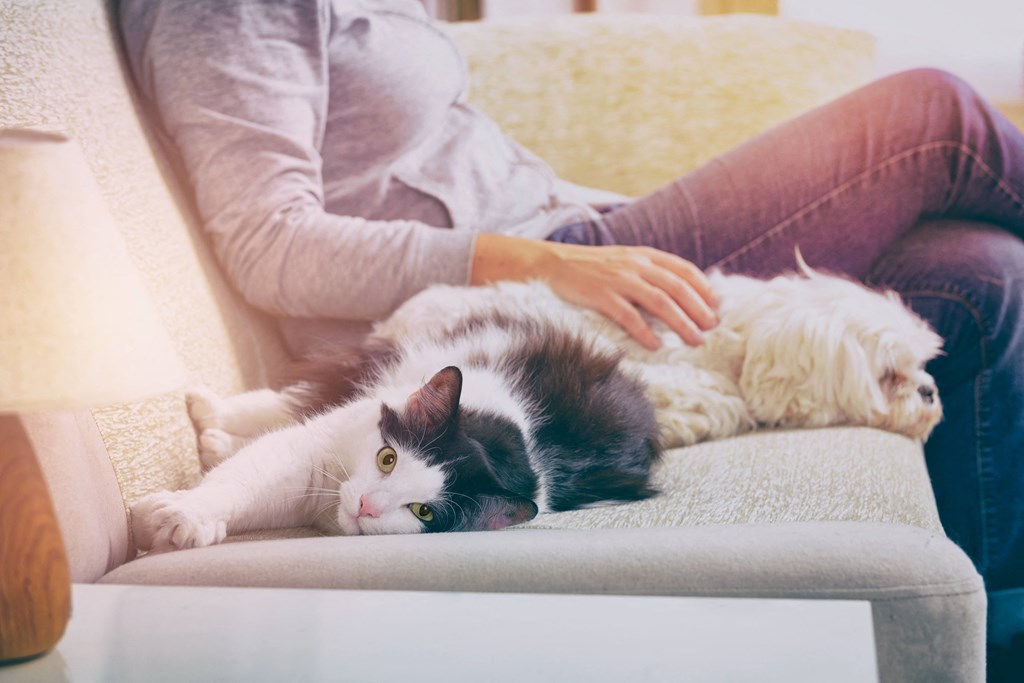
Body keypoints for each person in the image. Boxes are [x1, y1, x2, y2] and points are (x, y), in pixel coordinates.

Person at [119, 0, 1024, 674]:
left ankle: (988, 626)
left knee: (980, 273)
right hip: (549, 278)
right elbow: (270, 246)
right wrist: (537, 263)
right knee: (934, 118)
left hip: (580, 240)